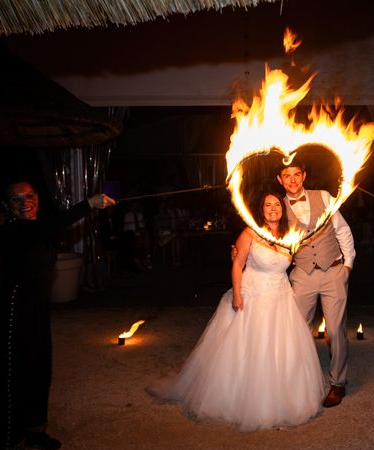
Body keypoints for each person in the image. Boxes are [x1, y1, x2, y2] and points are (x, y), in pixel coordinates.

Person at [148, 192, 324, 431]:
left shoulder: (289, 236)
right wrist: (238, 294)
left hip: (281, 297)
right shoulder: (250, 233)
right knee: (248, 348)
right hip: (253, 295)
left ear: (282, 209)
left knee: (283, 349)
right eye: (267, 205)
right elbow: (237, 264)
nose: (273, 209)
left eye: (276, 205)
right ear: (260, 210)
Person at [0, 180, 115, 450]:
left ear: (37, 197)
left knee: (40, 370)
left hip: (37, 311)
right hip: (13, 314)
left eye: (29, 196)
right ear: (7, 206)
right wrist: (88, 204)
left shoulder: (39, 228)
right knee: (15, 381)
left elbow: (49, 230)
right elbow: (51, 227)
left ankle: (35, 430)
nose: (24, 202)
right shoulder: (14, 231)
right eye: (16, 198)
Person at [277, 160, 355, 408]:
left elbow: (343, 230)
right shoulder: (277, 206)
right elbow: (273, 239)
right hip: (302, 274)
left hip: (333, 270)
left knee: (335, 331)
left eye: (296, 174)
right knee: (298, 330)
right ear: (280, 180)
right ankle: (299, 380)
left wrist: (348, 266)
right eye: (287, 176)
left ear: (304, 175)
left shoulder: (323, 196)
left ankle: (338, 383)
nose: (292, 180)